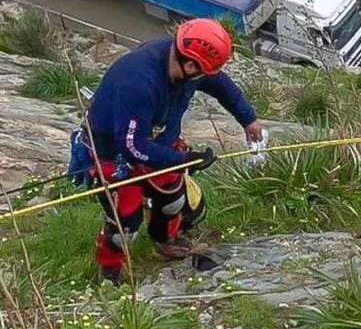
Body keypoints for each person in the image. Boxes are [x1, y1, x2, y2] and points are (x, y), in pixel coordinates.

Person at [77, 19, 265, 286]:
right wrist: (183, 160)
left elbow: (220, 84)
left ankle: (165, 241)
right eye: (202, 73)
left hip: (160, 142)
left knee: (173, 201)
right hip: (116, 154)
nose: (206, 77)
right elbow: (133, 147)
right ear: (190, 66)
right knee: (124, 222)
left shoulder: (184, 63)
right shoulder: (138, 83)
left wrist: (248, 118)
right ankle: (109, 273)